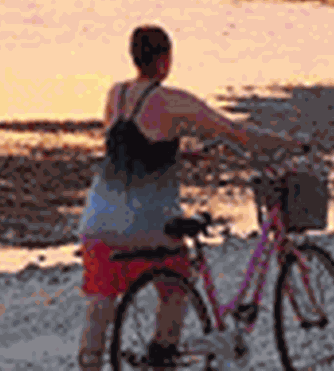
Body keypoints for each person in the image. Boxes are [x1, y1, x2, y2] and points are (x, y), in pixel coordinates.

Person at [77, 24, 305, 370]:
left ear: (134, 57)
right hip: (147, 219)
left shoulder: (115, 95)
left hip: (98, 217)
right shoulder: (172, 101)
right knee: (177, 279)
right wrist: (288, 144)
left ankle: (90, 361)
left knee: (103, 293)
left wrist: (179, 155)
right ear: (165, 60)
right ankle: (162, 352)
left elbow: (127, 148)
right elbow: (236, 132)